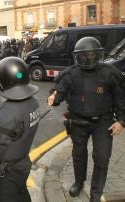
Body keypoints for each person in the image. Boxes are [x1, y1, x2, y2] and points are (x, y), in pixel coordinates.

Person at [47, 37, 125, 202]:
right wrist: (54, 97)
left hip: (103, 123)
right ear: (77, 57)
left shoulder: (110, 73)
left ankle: (96, 194)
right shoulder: (70, 74)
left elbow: (120, 98)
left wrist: (121, 121)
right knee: (79, 154)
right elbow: (59, 92)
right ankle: (79, 182)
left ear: (98, 55)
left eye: (91, 55)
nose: (88, 59)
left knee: (102, 158)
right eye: (84, 56)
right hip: (78, 122)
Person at [0, 56, 40, 201]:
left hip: (8, 171)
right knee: (21, 193)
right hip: (23, 162)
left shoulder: (7, 113)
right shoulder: (33, 102)